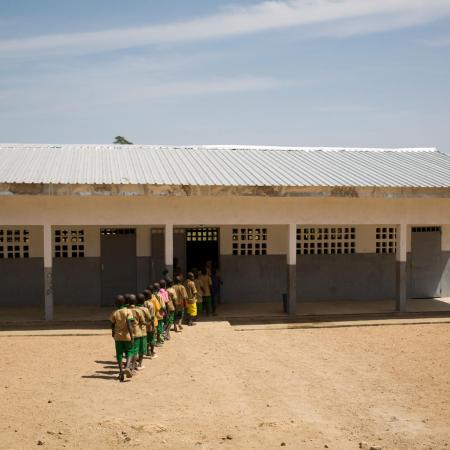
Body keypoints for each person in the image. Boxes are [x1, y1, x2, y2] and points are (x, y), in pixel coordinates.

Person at [110, 294, 134, 381]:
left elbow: (112, 324)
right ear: (125, 302)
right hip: (127, 336)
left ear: (116, 303)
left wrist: (113, 332)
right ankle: (127, 367)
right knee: (130, 351)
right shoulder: (128, 311)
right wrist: (132, 337)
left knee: (119, 354)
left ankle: (120, 372)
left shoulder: (114, 313)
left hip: (118, 337)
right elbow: (129, 325)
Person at [128, 294, 146, 372]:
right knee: (135, 351)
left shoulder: (126, 310)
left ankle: (129, 364)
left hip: (127, 333)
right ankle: (132, 368)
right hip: (137, 333)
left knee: (129, 350)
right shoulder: (138, 311)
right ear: (135, 302)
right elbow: (143, 322)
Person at [137, 293, 151, 367]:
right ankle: (140, 364)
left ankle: (133, 363)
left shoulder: (133, 309)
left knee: (135, 348)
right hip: (142, 331)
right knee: (142, 348)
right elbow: (149, 318)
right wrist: (148, 324)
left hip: (134, 332)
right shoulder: (145, 309)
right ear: (143, 301)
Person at [143, 289, 157, 358]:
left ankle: (146, 351)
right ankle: (152, 352)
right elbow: (152, 317)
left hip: (143, 325)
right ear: (149, 296)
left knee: (145, 338)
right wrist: (153, 326)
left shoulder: (142, 303)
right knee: (151, 339)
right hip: (149, 325)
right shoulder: (150, 304)